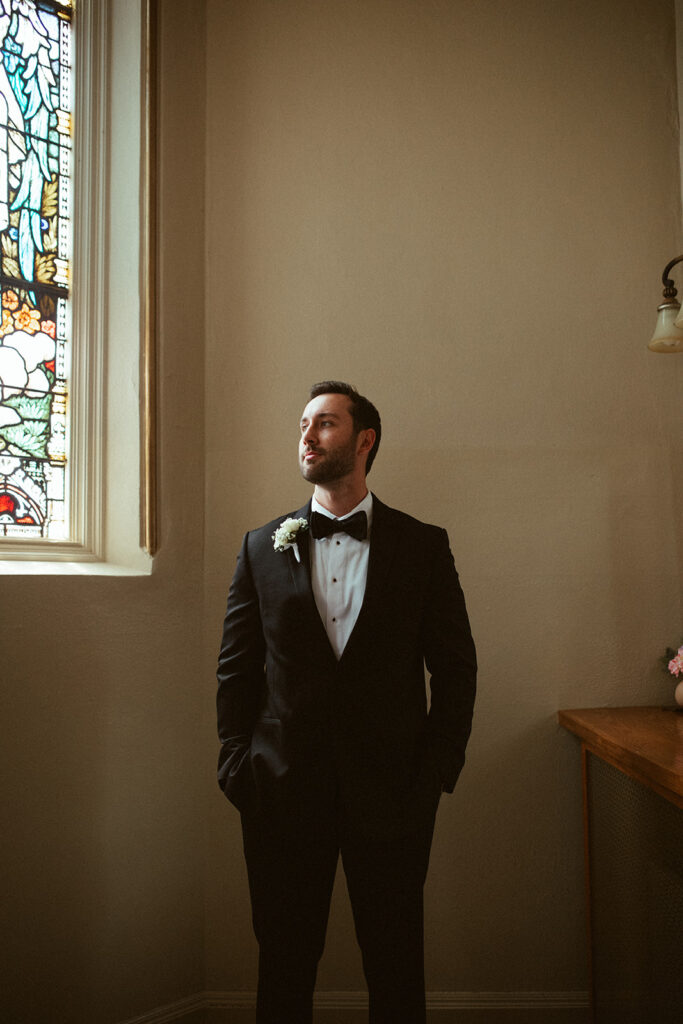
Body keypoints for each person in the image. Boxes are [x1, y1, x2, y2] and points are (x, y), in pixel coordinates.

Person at [216, 381, 477, 1024]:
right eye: (303, 424)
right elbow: (237, 669)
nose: (307, 436)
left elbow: (456, 667)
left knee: (395, 966)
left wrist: (435, 770)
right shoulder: (260, 546)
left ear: (365, 441)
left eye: (325, 424)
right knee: (283, 965)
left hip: (393, 793)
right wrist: (234, 763)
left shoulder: (422, 546)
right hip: (279, 792)